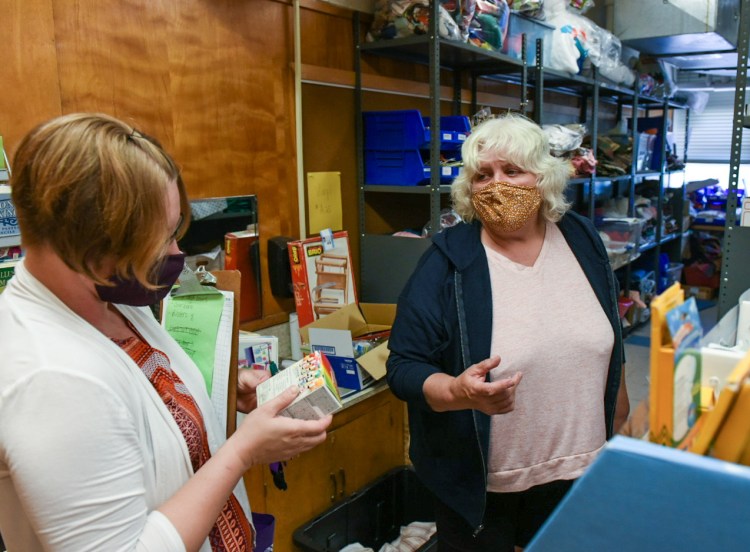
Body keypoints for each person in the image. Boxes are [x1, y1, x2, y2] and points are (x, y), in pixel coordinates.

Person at [0, 113, 332, 552]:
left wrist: (217, 394)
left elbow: (140, 412)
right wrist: (242, 453)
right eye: (161, 237)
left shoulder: (103, 299)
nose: (176, 252)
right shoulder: (50, 378)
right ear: (93, 245)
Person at [386, 112, 630, 552]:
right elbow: (403, 367)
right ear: (468, 189)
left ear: (544, 177)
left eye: (512, 170)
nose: (496, 184)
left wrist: (619, 422)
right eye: (483, 175)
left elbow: (609, 336)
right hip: (487, 487)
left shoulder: (581, 239)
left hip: (581, 470)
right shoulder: (447, 262)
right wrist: (458, 392)